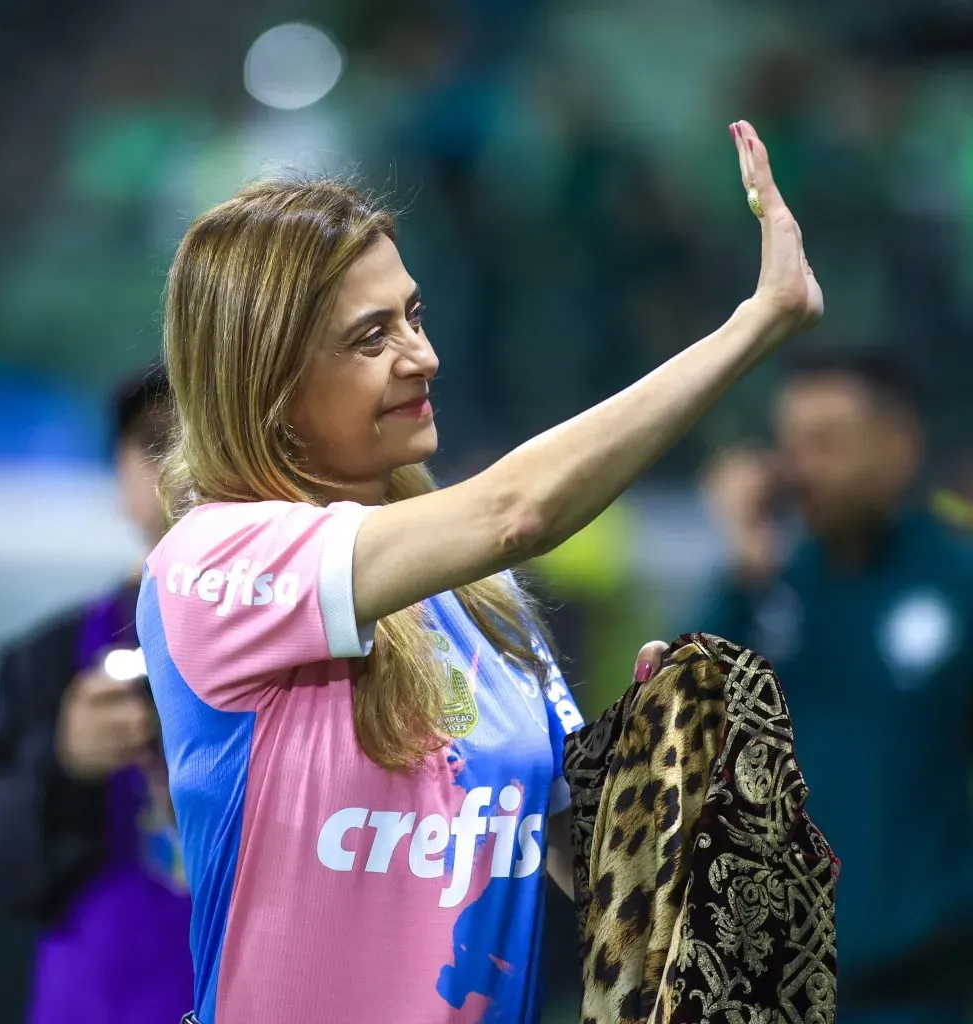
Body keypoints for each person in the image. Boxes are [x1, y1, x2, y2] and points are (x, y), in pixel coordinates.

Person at [137, 119, 821, 1024]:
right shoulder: (211, 563)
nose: (422, 356)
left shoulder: (482, 601)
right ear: (269, 379)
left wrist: (658, 785)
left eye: (413, 316)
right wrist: (756, 321)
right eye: (370, 336)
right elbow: (514, 513)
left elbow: (589, 878)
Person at [695, 350, 973, 1024]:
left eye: (825, 443)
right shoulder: (766, 591)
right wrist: (742, 561)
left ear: (898, 448)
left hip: (924, 988)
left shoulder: (956, 583)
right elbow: (680, 731)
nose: (798, 468)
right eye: (788, 444)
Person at [0, 366, 194, 1024]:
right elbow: (0, 867)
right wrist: (65, 761)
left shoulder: (319, 645)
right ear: (120, 477)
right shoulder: (45, 661)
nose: (185, 467)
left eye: (210, 440)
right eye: (158, 442)